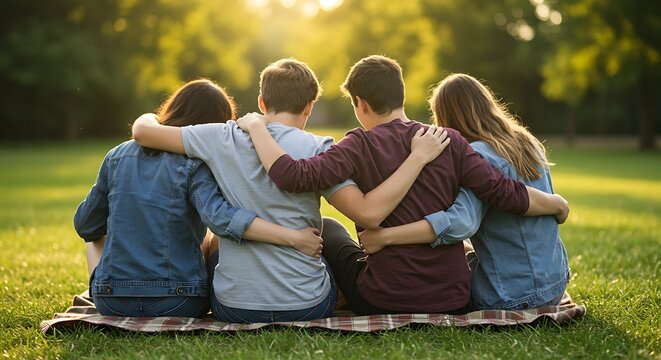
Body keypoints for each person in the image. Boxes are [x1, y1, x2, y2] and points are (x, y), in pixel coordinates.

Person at [236, 55, 569, 315]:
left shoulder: (356, 145)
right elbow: (502, 192)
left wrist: (258, 129)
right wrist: (555, 204)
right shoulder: (447, 140)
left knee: (330, 229)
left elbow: (293, 176)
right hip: (451, 298)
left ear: (360, 103)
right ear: (401, 95)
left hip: (382, 298)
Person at [130, 59, 449, 322]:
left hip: (234, 308)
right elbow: (368, 212)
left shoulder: (219, 136)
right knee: (331, 228)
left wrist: (148, 116)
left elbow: (144, 133)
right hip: (308, 305)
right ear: (309, 107)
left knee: (216, 239)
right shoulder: (319, 147)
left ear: (261, 102)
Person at [74, 79, 325, 318]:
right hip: (178, 300)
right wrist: (292, 237)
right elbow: (220, 218)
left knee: (94, 237)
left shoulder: (117, 155)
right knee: (212, 238)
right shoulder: (196, 163)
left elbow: (85, 225)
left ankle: (112, 284)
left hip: (112, 301)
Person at [359, 73, 570, 310]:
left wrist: (385, 237)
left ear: (445, 117)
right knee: (465, 253)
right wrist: (558, 204)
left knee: (445, 275)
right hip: (556, 283)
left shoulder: (479, 155)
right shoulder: (527, 142)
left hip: (511, 294)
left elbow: (461, 223)